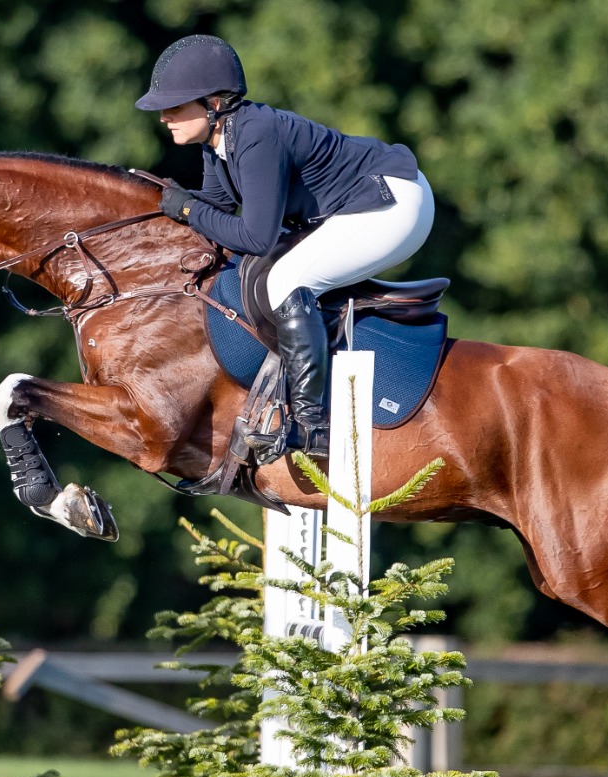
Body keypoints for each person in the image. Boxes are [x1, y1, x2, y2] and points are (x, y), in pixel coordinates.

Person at [137, 34, 435, 459]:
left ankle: (314, 427)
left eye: (176, 106)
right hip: (364, 204)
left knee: (288, 280)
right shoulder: (218, 142)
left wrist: (186, 211)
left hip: (392, 203)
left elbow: (255, 237)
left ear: (215, 104)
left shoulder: (256, 135)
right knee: (282, 275)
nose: (164, 117)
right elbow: (216, 207)